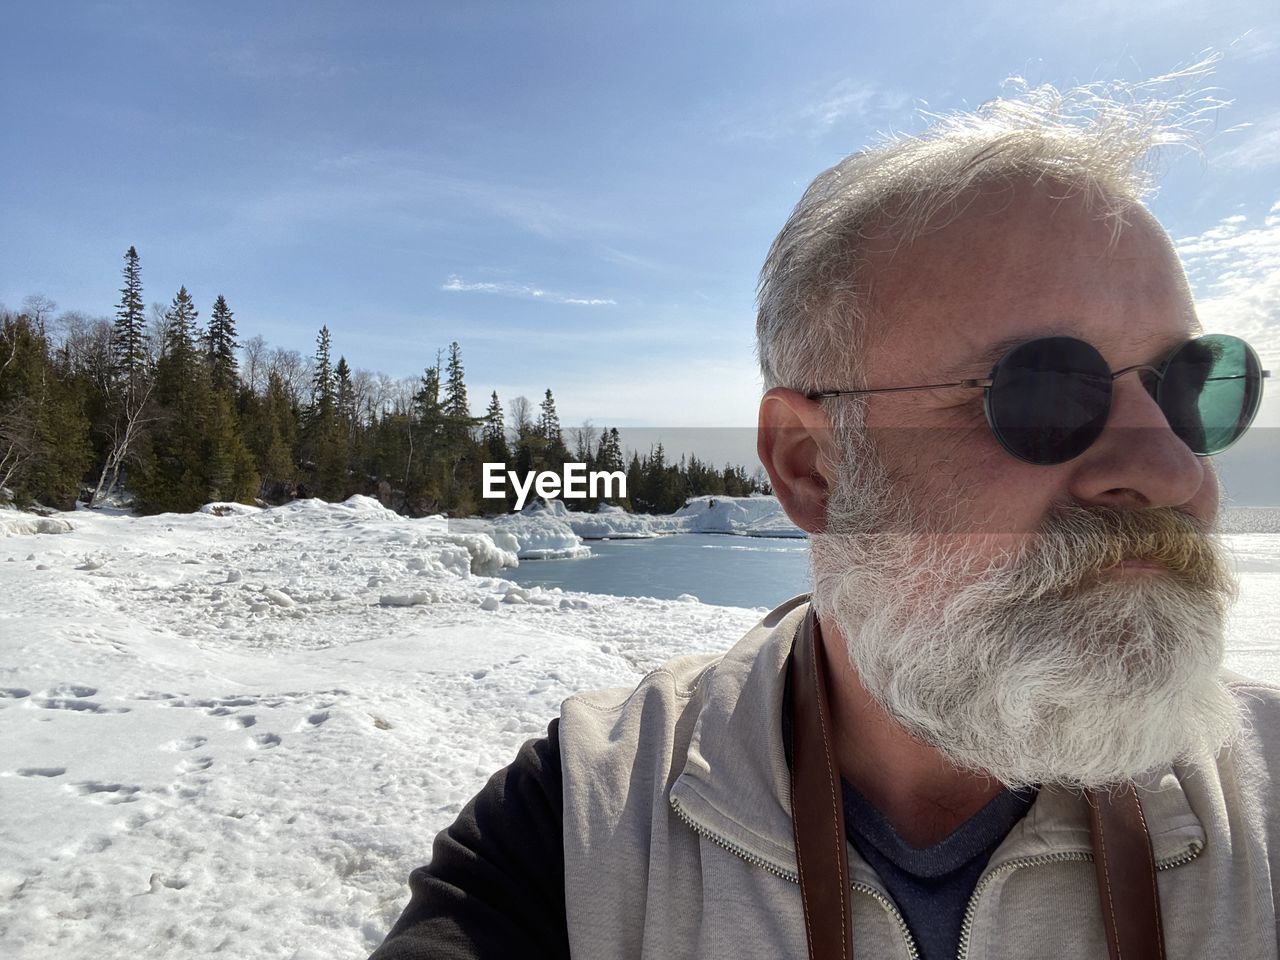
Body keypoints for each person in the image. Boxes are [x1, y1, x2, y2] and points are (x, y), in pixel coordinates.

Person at [369, 77, 1278, 960]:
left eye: (1193, 388)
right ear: (813, 466)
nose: (1172, 469)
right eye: (1044, 390)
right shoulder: (587, 826)